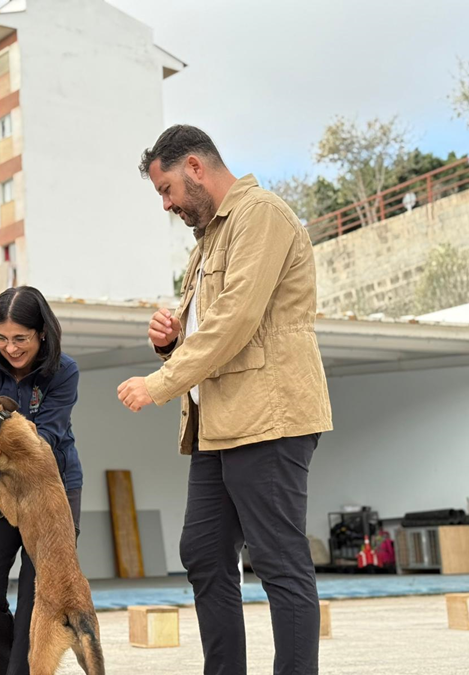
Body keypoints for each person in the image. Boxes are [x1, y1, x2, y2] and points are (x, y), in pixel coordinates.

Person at [116, 125, 333, 675]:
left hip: (271, 419)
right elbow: (217, 333)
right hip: (220, 423)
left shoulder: (260, 215)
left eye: (166, 190)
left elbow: (236, 321)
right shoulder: (209, 238)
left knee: (279, 562)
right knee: (204, 552)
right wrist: (171, 344)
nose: (166, 205)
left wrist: (160, 383)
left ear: (194, 166)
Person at [0, 286, 83, 675]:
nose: (10, 348)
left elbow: (46, 435)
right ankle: (17, 667)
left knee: (38, 600)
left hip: (52, 490)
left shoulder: (65, 371)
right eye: (1, 338)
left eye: (20, 339)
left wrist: (3, 440)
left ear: (41, 333)